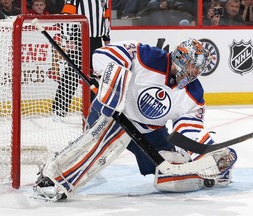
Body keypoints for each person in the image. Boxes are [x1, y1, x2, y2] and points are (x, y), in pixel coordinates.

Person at [32, 38, 237, 201]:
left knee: (168, 170)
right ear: (180, 58)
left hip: (150, 132)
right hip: (113, 115)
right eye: (193, 66)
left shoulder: (194, 95)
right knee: (95, 149)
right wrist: (114, 83)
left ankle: (208, 174)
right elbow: (103, 55)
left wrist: (207, 149)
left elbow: (189, 127)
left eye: (198, 70)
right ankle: (53, 178)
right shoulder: (148, 56)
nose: (195, 73)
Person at [51, 0, 111, 117]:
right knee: (72, 73)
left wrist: (106, 35)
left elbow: (106, 15)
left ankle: (94, 107)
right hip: (79, 36)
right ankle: (59, 108)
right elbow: (67, 15)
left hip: (96, 38)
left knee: (94, 74)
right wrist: (68, 38)